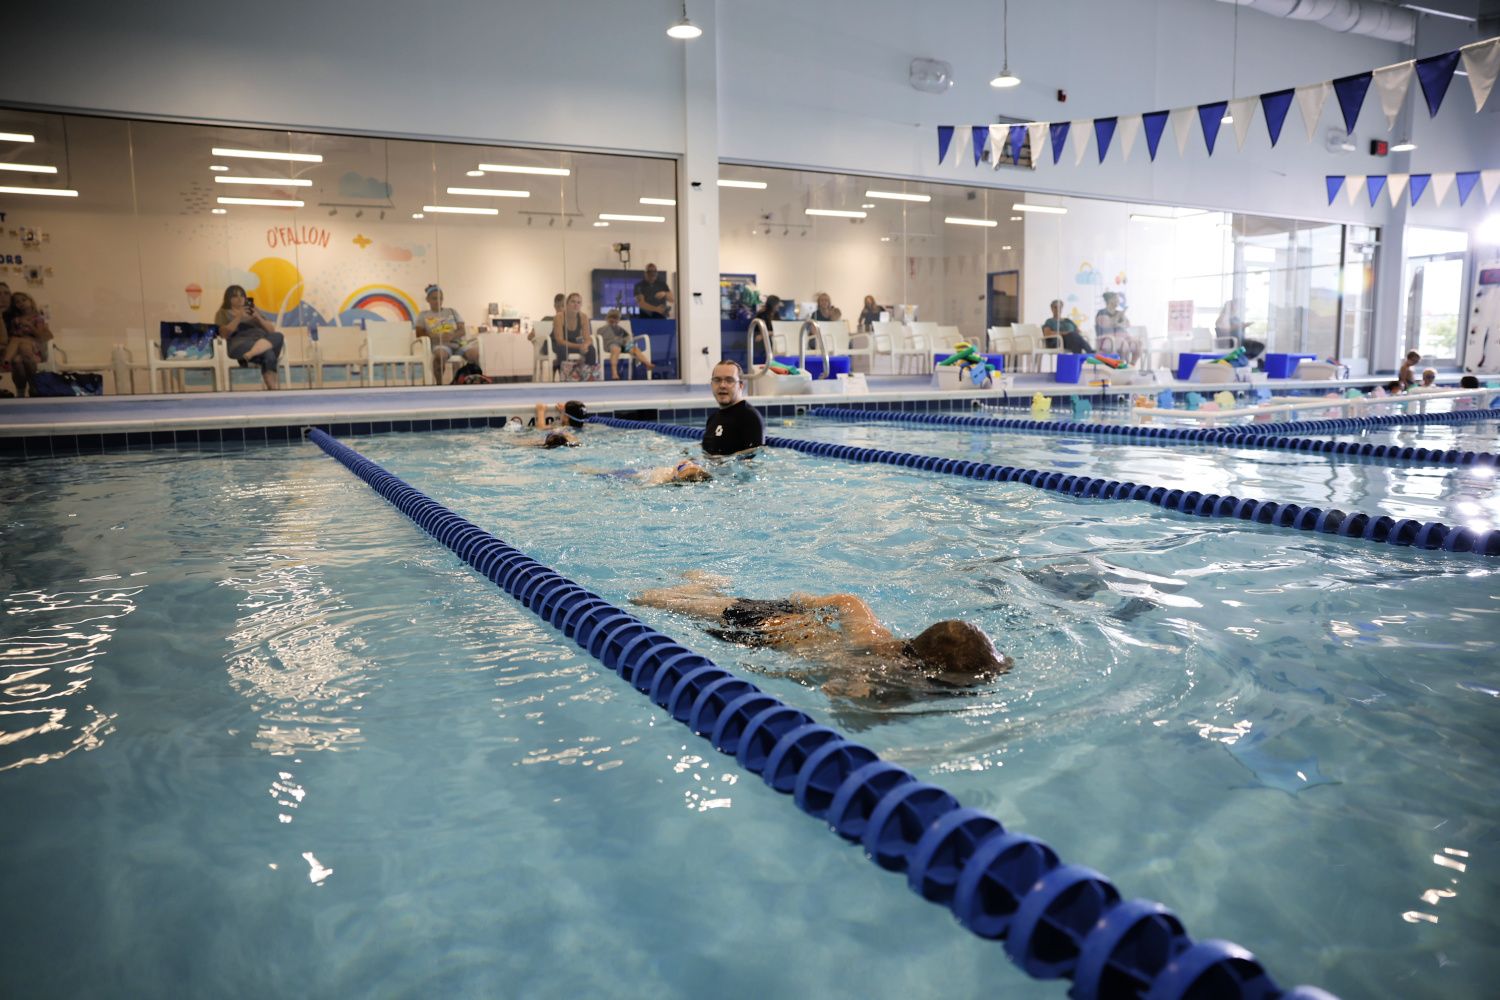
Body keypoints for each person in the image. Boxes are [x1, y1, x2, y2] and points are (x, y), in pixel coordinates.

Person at [632, 571, 1011, 698]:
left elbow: (850, 601)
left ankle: (701, 585)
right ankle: (697, 583)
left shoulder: (881, 641)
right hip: (758, 625)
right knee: (649, 599)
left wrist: (809, 603)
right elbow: (838, 695)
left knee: (694, 601)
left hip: (786, 615)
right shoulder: (874, 664)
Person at [212, 286, 284, 390]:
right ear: (228, 299)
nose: (240, 298)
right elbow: (224, 334)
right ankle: (273, 389)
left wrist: (257, 317)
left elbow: (271, 331)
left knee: (278, 336)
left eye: (242, 295)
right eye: (235, 296)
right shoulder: (223, 313)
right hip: (240, 343)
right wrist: (239, 317)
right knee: (269, 353)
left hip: (260, 341)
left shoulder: (254, 310)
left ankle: (252, 353)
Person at [703, 360, 764, 456]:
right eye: (717, 380)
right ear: (711, 384)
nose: (722, 385)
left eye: (729, 380)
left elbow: (754, 460)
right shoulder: (712, 419)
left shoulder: (750, 418)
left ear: (740, 386)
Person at [415, 284, 473, 382]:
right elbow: (419, 334)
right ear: (427, 299)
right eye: (434, 298)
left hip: (458, 343)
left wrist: (452, 335)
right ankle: (439, 384)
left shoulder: (451, 311)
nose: (438, 301)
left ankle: (472, 382)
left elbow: (462, 330)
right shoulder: (423, 315)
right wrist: (435, 336)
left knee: (474, 354)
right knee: (440, 356)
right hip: (440, 345)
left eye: (440, 298)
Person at [2, 289, 52, 397]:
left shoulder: (38, 317)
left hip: (33, 347)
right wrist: (16, 326)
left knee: (23, 347)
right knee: (17, 359)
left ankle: (32, 387)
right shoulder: (16, 318)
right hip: (19, 347)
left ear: (30, 300)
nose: (21, 303)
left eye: (23, 300)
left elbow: (40, 335)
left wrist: (29, 326)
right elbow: (13, 334)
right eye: (17, 302)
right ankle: (23, 390)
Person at [553, 292, 599, 380]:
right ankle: (565, 378)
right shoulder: (559, 317)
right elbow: (560, 340)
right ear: (567, 304)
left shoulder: (583, 317)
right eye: (573, 302)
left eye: (578, 302)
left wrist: (585, 345)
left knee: (591, 349)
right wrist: (580, 346)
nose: (576, 305)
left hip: (573, 343)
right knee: (562, 349)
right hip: (557, 343)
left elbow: (587, 338)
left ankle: (589, 377)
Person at [599, 308, 654, 379]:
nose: (613, 320)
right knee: (616, 349)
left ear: (619, 320)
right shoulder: (602, 329)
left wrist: (627, 342)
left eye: (616, 318)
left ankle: (647, 364)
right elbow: (603, 338)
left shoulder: (620, 329)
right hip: (610, 345)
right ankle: (614, 373)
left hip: (622, 345)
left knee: (634, 349)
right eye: (611, 318)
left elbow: (627, 337)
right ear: (607, 318)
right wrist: (616, 339)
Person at [1093, 291, 1140, 365]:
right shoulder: (1102, 313)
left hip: (1123, 337)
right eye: (1116, 299)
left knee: (1138, 343)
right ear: (1110, 300)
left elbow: (1127, 324)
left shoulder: (1119, 312)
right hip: (1107, 339)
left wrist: (1121, 318)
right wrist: (1118, 318)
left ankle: (1132, 365)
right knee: (1123, 343)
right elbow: (1110, 324)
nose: (1118, 301)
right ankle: (1122, 365)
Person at [587, 459, 713, 485]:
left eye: (682, 466)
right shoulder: (698, 472)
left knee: (594, 472)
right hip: (647, 469)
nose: (685, 461)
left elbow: (642, 487)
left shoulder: (662, 478)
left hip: (633, 474)